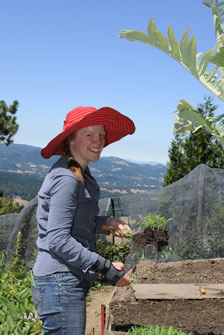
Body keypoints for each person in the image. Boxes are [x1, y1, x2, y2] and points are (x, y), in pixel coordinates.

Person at [32, 106, 136, 335]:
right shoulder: (67, 178)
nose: (98, 141)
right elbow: (58, 240)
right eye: (89, 134)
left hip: (64, 280)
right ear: (71, 140)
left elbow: (77, 221)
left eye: (100, 135)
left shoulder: (79, 173)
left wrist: (109, 222)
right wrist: (106, 268)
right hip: (60, 281)